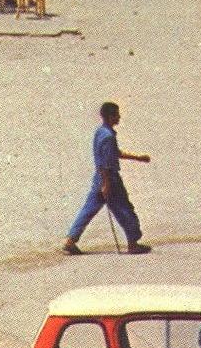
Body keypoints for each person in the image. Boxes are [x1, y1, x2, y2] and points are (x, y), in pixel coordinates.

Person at [63, 102, 151, 254]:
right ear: (110, 117)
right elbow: (106, 163)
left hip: (99, 178)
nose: (119, 117)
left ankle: (70, 241)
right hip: (110, 180)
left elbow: (112, 154)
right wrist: (106, 184)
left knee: (88, 210)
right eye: (117, 114)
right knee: (125, 210)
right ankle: (133, 243)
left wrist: (137, 158)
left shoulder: (100, 132)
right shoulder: (109, 137)